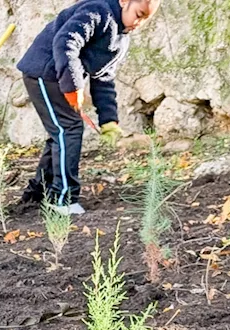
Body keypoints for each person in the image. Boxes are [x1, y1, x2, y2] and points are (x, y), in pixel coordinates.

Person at [16, 0, 158, 215]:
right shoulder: (97, 11)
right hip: (44, 73)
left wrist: (108, 120)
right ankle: (62, 199)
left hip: (60, 78)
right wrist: (73, 86)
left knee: (61, 133)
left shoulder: (121, 37)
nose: (139, 23)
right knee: (68, 130)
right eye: (138, 14)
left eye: (145, 19)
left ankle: (38, 193)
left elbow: (104, 77)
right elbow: (65, 43)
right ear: (124, 1)